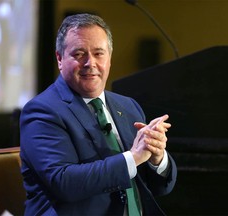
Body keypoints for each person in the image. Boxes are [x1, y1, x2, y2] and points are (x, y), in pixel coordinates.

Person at [20, 13, 177, 216]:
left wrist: (157, 157)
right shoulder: (42, 111)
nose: (90, 63)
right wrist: (135, 156)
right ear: (59, 59)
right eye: (79, 54)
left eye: (98, 53)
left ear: (109, 58)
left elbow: (159, 187)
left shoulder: (128, 107)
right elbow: (64, 182)